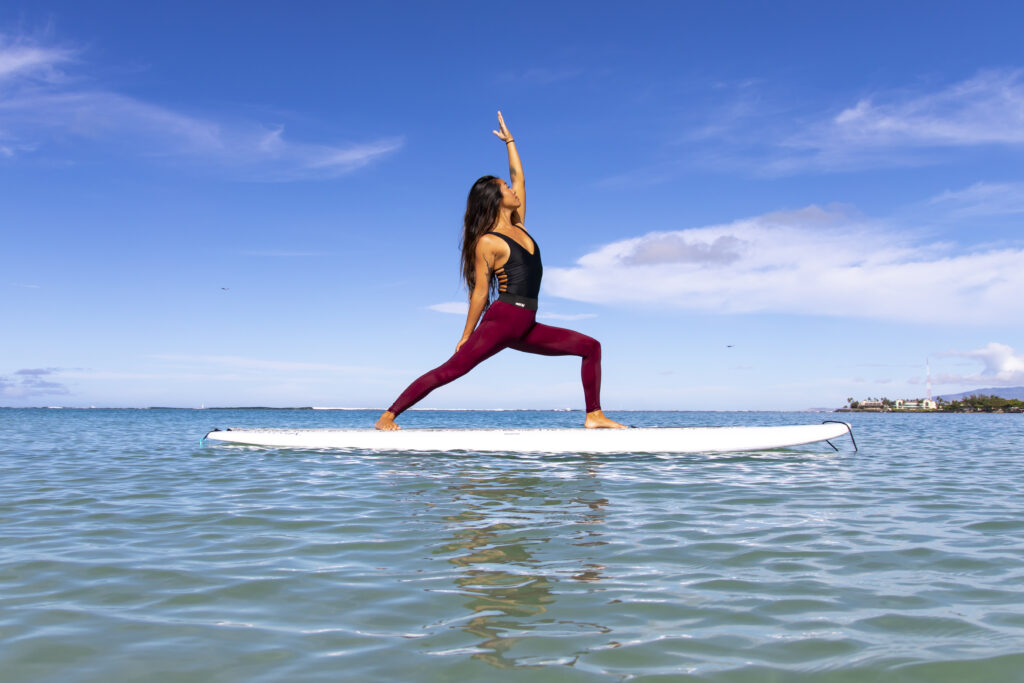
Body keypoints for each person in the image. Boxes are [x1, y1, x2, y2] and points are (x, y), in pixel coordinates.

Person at [375, 112, 624, 431]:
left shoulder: (520, 225)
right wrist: (466, 335)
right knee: (451, 370)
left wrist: (510, 142)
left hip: (526, 323)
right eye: (506, 188)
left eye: (510, 187)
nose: (513, 190)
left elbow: (520, 177)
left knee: (591, 346)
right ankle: (388, 416)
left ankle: (594, 415)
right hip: (503, 320)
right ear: (495, 200)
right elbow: (480, 291)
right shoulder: (488, 242)